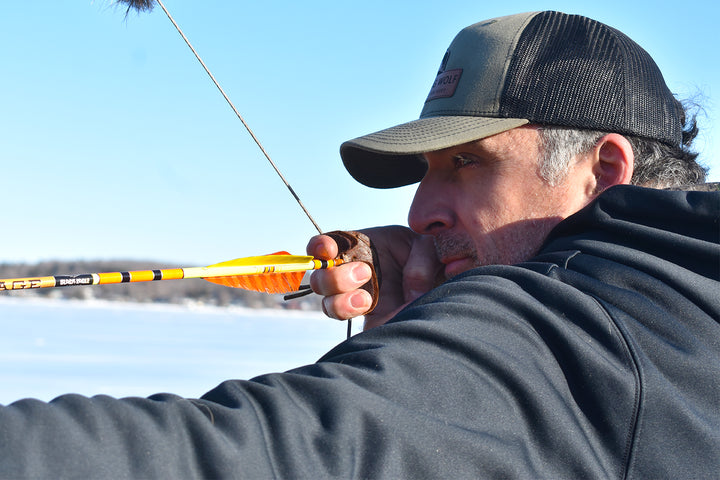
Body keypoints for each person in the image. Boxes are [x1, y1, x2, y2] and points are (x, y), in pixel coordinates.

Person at [0, 10, 718, 479]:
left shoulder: (579, 344)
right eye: (428, 171)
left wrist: (451, 351)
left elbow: (271, 454)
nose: (421, 210)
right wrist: (414, 340)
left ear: (605, 172)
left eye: (470, 162)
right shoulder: (687, 296)